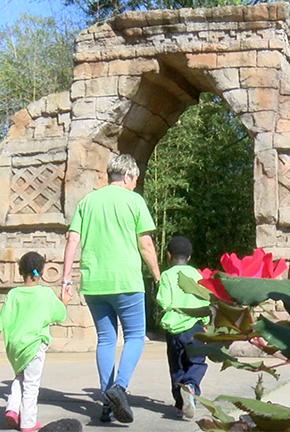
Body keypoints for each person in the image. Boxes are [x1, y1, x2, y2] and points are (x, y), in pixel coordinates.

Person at [61, 153, 160, 424]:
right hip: (126, 280)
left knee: (105, 340)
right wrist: (157, 275)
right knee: (135, 336)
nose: (135, 185)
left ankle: (107, 401)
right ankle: (120, 387)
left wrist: (66, 277)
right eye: (135, 180)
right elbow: (146, 245)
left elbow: (72, 239)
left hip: (94, 283)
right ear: (127, 176)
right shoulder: (134, 201)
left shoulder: (88, 201)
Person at [0, 252, 72, 432]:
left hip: (14, 346)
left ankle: (12, 408)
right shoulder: (45, 293)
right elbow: (59, 315)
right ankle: (28, 422)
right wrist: (64, 301)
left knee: (19, 376)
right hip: (33, 345)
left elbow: (2, 319)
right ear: (41, 271)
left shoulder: (13, 294)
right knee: (32, 383)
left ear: (20, 271)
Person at [156, 236, 210, 419]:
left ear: (169, 255)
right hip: (194, 327)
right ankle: (191, 385)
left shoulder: (166, 276)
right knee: (196, 361)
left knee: (177, 365)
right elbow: (206, 301)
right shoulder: (197, 275)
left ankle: (180, 405)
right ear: (189, 257)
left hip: (173, 329)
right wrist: (205, 322)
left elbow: (163, 301)